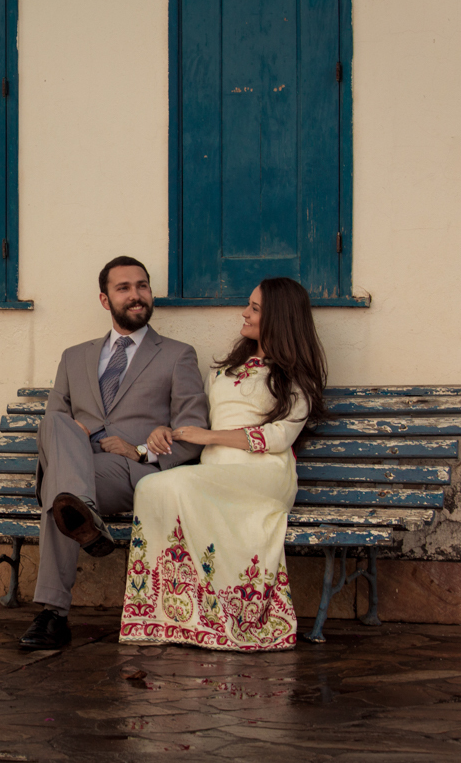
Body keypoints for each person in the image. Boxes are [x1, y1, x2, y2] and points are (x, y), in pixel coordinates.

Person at [119, 277, 327, 651]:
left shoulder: (295, 377)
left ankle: (228, 615)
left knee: (175, 484)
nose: (244, 313)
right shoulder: (224, 371)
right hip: (214, 471)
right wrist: (167, 432)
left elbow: (280, 437)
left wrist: (210, 437)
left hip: (262, 472)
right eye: (249, 305)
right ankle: (175, 616)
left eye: (255, 309)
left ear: (278, 319)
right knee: (150, 486)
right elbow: (195, 423)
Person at [19, 256, 209, 650]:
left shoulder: (177, 355)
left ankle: (53, 615)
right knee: (55, 426)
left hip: (128, 472)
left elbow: (192, 435)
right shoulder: (74, 357)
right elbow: (54, 428)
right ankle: (81, 512)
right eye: (124, 288)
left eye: (142, 286)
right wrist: (79, 435)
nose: (136, 295)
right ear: (105, 300)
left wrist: (139, 450)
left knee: (59, 493)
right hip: (80, 464)